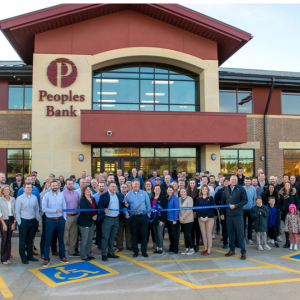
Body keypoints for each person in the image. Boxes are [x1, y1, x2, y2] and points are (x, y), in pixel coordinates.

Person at [221, 175, 248, 260]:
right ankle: (232, 250)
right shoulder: (226, 189)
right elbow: (223, 202)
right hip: (228, 215)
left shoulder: (241, 189)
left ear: (237, 181)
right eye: (232, 179)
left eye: (235, 180)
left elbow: (245, 200)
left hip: (238, 215)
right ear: (230, 180)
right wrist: (222, 213)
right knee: (230, 234)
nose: (233, 181)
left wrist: (236, 206)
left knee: (240, 234)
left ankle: (243, 252)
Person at [42, 180, 68, 267]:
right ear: (50, 186)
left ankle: (62, 257)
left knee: (61, 239)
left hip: (60, 220)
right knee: (48, 240)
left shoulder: (61, 195)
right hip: (50, 220)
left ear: (58, 186)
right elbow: (44, 208)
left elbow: (64, 207)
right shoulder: (46, 196)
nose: (55, 187)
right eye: (53, 185)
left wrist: (64, 218)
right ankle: (46, 259)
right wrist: (55, 210)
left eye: (56, 185)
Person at [99, 181, 127, 261]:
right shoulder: (104, 196)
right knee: (105, 237)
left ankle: (110, 252)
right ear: (108, 187)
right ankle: (104, 253)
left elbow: (120, 206)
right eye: (112, 186)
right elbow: (100, 205)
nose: (114, 188)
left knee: (112, 237)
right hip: (108, 219)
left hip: (116, 218)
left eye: (115, 186)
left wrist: (124, 205)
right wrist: (104, 210)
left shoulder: (117, 195)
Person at [125, 178, 151, 258]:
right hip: (134, 218)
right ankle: (135, 251)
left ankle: (144, 251)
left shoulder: (144, 193)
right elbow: (124, 206)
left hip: (144, 217)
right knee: (134, 235)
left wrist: (148, 216)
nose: (137, 185)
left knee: (144, 235)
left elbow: (148, 205)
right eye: (135, 184)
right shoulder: (128, 195)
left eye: (138, 184)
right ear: (132, 185)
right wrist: (126, 213)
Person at [15, 183, 39, 264]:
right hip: (24, 221)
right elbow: (17, 211)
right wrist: (19, 222)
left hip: (32, 221)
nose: (29, 189)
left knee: (30, 240)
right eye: (27, 187)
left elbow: (36, 209)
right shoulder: (20, 198)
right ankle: (23, 257)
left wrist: (37, 219)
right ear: (24, 188)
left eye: (30, 187)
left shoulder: (34, 197)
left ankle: (30, 256)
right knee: (22, 241)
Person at [77, 186, 97, 260]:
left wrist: (96, 215)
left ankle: (89, 254)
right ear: (84, 191)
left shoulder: (93, 199)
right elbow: (84, 210)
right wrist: (92, 216)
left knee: (90, 239)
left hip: (92, 221)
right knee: (84, 239)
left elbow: (96, 208)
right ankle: (83, 255)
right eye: (87, 190)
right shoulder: (83, 200)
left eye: (89, 189)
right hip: (85, 221)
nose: (88, 191)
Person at [278, 180, 300, 248]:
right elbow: (279, 203)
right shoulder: (282, 194)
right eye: (286, 185)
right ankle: (287, 242)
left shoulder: (293, 193)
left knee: (293, 228)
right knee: (287, 228)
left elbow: (298, 202)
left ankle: (294, 243)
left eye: (288, 185)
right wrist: (282, 209)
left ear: (290, 186)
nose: (287, 186)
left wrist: (296, 210)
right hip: (285, 213)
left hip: (293, 214)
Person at [62, 178, 80, 257]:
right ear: (66, 185)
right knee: (65, 235)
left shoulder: (76, 193)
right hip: (67, 216)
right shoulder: (62, 194)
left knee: (73, 234)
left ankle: (71, 251)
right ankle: (62, 251)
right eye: (68, 184)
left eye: (71, 184)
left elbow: (78, 204)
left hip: (75, 216)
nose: (70, 185)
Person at [196, 185, 215, 255]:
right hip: (201, 218)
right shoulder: (198, 198)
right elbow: (197, 209)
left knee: (208, 234)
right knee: (203, 234)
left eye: (205, 189)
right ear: (201, 190)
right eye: (203, 189)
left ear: (207, 190)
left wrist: (207, 217)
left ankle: (209, 249)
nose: (204, 190)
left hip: (209, 218)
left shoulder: (211, 198)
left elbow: (212, 208)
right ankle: (205, 248)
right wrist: (200, 217)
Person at [0, 185, 16, 264]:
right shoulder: (0, 200)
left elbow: (15, 211)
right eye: (5, 190)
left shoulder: (13, 199)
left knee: (9, 239)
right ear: (2, 191)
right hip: (3, 220)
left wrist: (14, 223)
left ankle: (8, 257)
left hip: (11, 220)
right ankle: (3, 258)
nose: (7, 191)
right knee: (4, 239)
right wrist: (3, 223)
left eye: (8, 189)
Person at [150, 184, 167, 254]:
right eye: (156, 188)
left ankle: (160, 248)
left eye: (158, 189)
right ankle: (157, 247)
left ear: (160, 190)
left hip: (160, 220)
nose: (157, 190)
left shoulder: (163, 198)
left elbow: (165, 210)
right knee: (155, 234)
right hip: (153, 219)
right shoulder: (151, 198)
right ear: (153, 190)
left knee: (159, 234)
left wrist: (162, 220)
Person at [116, 183, 132, 252]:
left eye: (125, 187)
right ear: (120, 188)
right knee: (119, 233)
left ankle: (129, 246)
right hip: (120, 217)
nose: (124, 188)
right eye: (123, 187)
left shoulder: (130, 195)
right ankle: (120, 246)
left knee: (129, 233)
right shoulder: (118, 196)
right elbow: (117, 205)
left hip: (129, 218)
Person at [215, 178, 230, 249]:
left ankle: (234, 242)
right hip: (223, 212)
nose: (227, 183)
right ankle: (225, 242)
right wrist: (219, 207)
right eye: (225, 181)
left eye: (228, 181)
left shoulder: (232, 190)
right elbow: (216, 200)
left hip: (232, 212)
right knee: (225, 228)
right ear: (223, 183)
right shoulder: (220, 191)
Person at [179, 188, 194, 255]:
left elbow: (189, 209)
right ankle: (187, 248)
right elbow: (178, 209)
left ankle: (192, 248)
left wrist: (182, 217)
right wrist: (180, 217)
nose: (183, 193)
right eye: (181, 192)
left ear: (186, 192)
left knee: (187, 234)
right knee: (185, 235)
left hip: (188, 219)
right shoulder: (179, 199)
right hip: (182, 220)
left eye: (184, 192)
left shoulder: (189, 198)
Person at [187, 178, 201, 252]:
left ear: (195, 184)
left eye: (193, 183)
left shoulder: (198, 191)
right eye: (191, 183)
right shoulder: (187, 191)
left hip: (196, 213)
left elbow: (198, 202)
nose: (192, 184)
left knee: (197, 229)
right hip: (189, 213)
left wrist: (195, 211)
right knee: (191, 229)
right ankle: (192, 244)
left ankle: (197, 244)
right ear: (189, 184)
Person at [243, 177, 256, 245]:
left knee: (250, 225)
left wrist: (254, 207)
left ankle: (250, 239)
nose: (247, 182)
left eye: (248, 181)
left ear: (250, 182)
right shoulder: (242, 188)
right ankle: (243, 239)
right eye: (246, 181)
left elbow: (254, 199)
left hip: (251, 209)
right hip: (243, 210)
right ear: (244, 182)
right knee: (243, 225)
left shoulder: (253, 189)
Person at [166, 185, 179, 254]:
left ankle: (175, 248)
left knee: (174, 235)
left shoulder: (175, 198)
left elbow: (176, 209)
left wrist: (174, 220)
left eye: (171, 190)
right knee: (170, 234)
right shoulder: (168, 197)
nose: (169, 191)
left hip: (173, 220)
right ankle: (171, 247)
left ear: (173, 191)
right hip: (168, 219)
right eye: (168, 190)